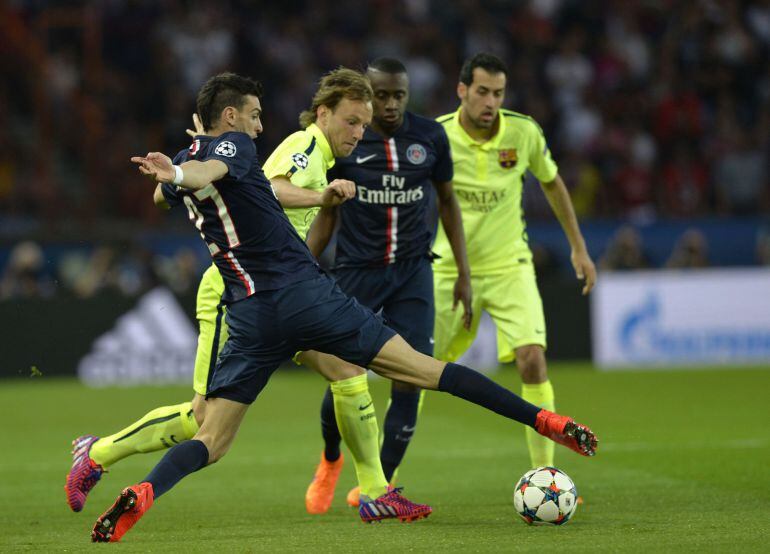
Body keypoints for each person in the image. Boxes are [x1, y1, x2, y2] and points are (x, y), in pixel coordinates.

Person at [90, 71, 597, 543]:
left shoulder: (201, 157)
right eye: (254, 114)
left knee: (213, 438)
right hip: (304, 296)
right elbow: (214, 169)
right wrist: (187, 167)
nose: (261, 124)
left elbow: (175, 190)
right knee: (426, 370)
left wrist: (173, 170)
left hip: (249, 313)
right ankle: (544, 421)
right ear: (231, 117)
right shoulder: (245, 146)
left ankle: (148, 490)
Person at [68, 69, 423, 523]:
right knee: (201, 420)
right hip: (236, 292)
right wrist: (320, 196)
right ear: (325, 115)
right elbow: (272, 189)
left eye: (363, 125)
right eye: (352, 122)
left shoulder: (300, 152)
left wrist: (191, 161)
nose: (360, 132)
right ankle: (95, 452)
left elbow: (177, 193)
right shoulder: (305, 148)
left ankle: (376, 490)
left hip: (282, 293)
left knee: (348, 371)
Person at [304, 57, 472, 512]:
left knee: (412, 377)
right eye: (382, 95)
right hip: (356, 272)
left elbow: (448, 203)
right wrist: (303, 265)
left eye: (399, 94)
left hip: (413, 272)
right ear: (366, 94)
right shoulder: (349, 143)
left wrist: (464, 273)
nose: (391, 104)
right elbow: (327, 211)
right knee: (344, 378)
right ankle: (331, 459)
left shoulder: (430, 138)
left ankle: (379, 482)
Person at [432, 53, 598, 471]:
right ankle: (383, 482)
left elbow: (552, 182)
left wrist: (578, 247)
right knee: (414, 369)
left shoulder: (522, 132)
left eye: (498, 93)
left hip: (510, 266)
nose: (491, 101)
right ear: (462, 91)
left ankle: (546, 473)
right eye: (483, 92)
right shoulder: (435, 137)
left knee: (532, 358)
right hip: (447, 271)